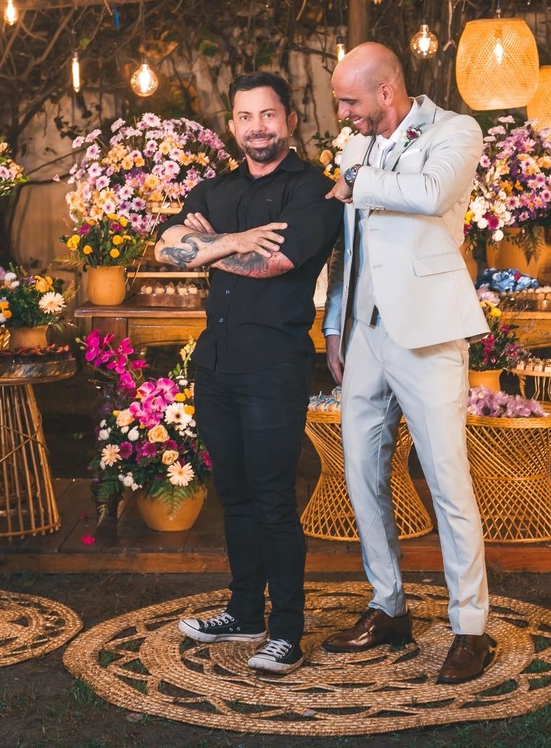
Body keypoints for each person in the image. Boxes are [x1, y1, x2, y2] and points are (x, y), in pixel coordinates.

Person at [155, 71, 342, 676]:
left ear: (288, 120)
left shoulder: (312, 190)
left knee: (271, 500)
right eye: (245, 117)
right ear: (231, 124)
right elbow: (165, 248)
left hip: (273, 366)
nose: (257, 127)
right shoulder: (217, 189)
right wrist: (235, 240)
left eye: (268, 115)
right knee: (232, 495)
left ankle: (285, 628)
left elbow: (276, 263)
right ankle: (244, 611)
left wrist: (206, 248)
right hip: (214, 364)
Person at [321, 43, 495, 684]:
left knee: (448, 483)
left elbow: (429, 193)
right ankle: (388, 606)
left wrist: (357, 183)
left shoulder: (455, 131)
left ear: (386, 91)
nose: (343, 113)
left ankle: (470, 626)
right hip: (364, 334)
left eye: (350, 101)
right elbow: (347, 245)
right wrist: (335, 323)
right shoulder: (354, 149)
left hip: (428, 332)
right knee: (362, 471)